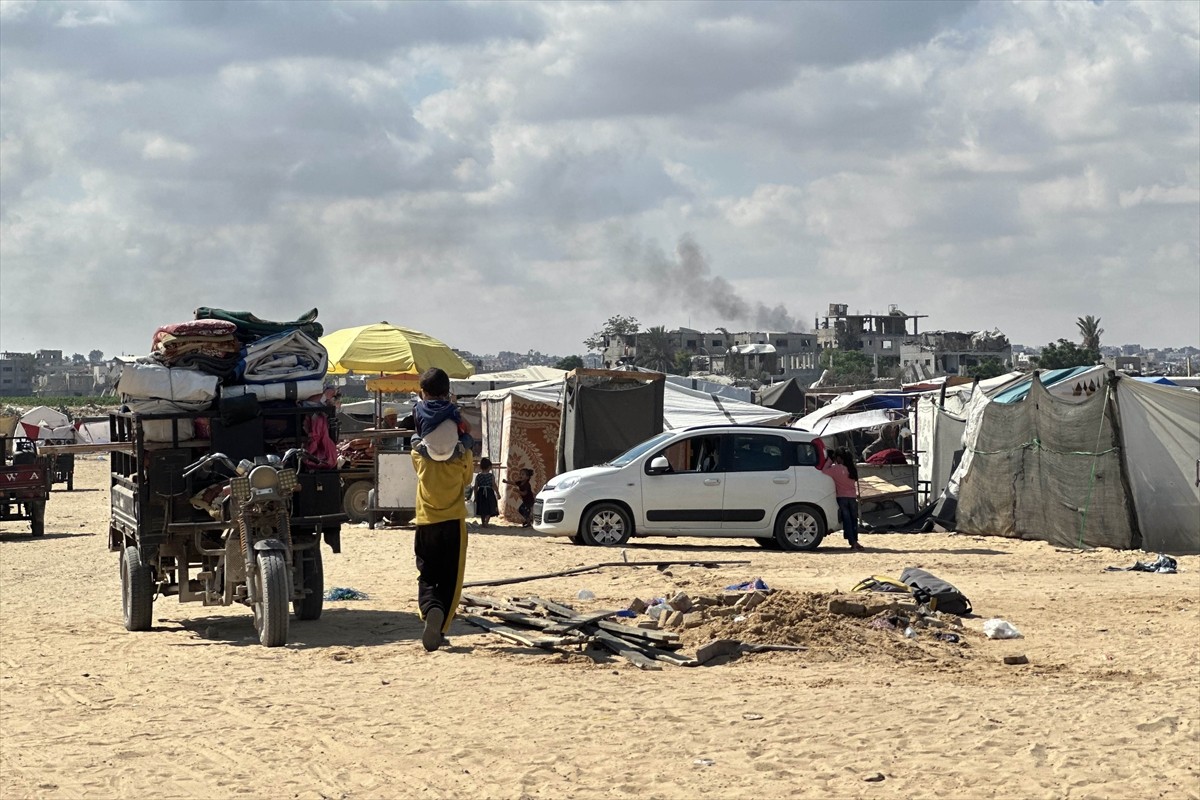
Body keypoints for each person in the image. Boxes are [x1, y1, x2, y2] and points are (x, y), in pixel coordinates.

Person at [410, 367, 474, 651]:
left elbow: (418, 457)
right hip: (453, 520)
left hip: (425, 520)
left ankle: (429, 608)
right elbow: (467, 478)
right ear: (448, 392)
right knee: (451, 578)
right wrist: (465, 449)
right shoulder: (462, 455)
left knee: (426, 573)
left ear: (423, 393)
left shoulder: (417, 455)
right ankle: (443, 625)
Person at [411, 380, 474, 462]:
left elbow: (420, 432)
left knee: (414, 437)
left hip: (428, 454)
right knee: (469, 438)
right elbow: (468, 429)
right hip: (453, 453)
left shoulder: (418, 408)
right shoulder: (452, 409)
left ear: (423, 392)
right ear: (447, 393)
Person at [822, 446, 863, 551]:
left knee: (847, 521)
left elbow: (824, 470)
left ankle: (852, 542)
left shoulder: (836, 469)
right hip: (852, 497)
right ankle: (855, 541)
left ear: (839, 458)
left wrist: (830, 460)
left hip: (842, 498)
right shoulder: (851, 469)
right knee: (854, 520)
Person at [468, 457, 500, 528]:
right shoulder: (491, 476)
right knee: (490, 507)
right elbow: (494, 485)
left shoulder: (478, 476)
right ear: (489, 467)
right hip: (489, 493)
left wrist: (476, 496)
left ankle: (483, 522)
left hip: (481, 493)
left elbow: (476, 487)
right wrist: (498, 493)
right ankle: (486, 522)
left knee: (482, 508)